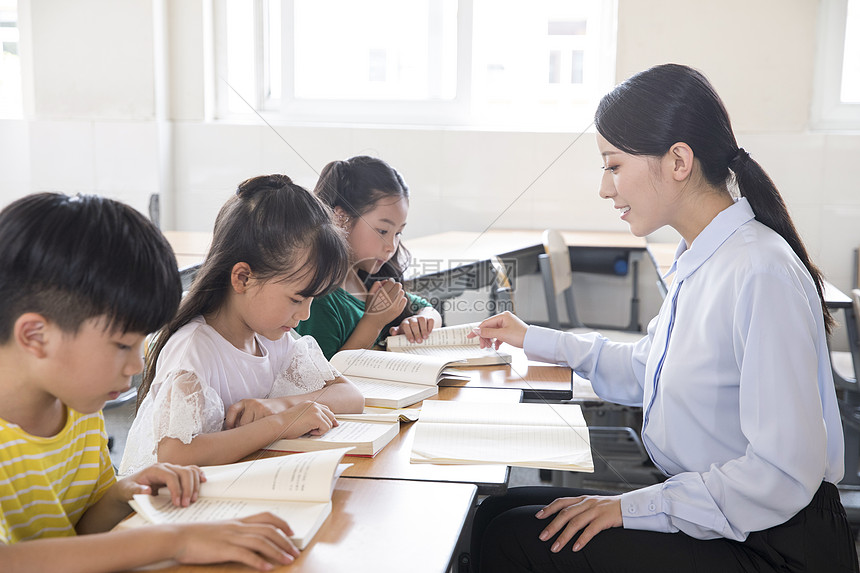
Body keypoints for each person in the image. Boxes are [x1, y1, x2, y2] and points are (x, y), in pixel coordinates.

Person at [469, 63, 860, 572]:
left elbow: (782, 474)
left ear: (678, 161)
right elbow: (647, 370)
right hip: (729, 515)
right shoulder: (699, 256)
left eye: (612, 165)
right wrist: (534, 339)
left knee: (516, 538)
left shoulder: (760, 269)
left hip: (775, 544)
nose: (605, 189)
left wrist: (629, 508)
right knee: (499, 509)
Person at [0, 192, 301, 572]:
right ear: (35, 336)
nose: (136, 363)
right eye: (123, 345)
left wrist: (124, 492)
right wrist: (177, 540)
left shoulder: (75, 408)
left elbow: (79, 533)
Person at [120, 174, 364, 475]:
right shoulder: (195, 348)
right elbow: (175, 457)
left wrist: (278, 406)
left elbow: (351, 396)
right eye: (297, 299)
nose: (305, 315)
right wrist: (279, 423)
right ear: (243, 278)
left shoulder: (271, 338)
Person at [296, 155, 442, 359]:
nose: (391, 246)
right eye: (382, 231)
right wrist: (374, 322)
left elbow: (427, 309)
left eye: (398, 233)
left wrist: (422, 320)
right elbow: (325, 377)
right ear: (341, 219)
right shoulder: (319, 298)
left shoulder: (366, 276)